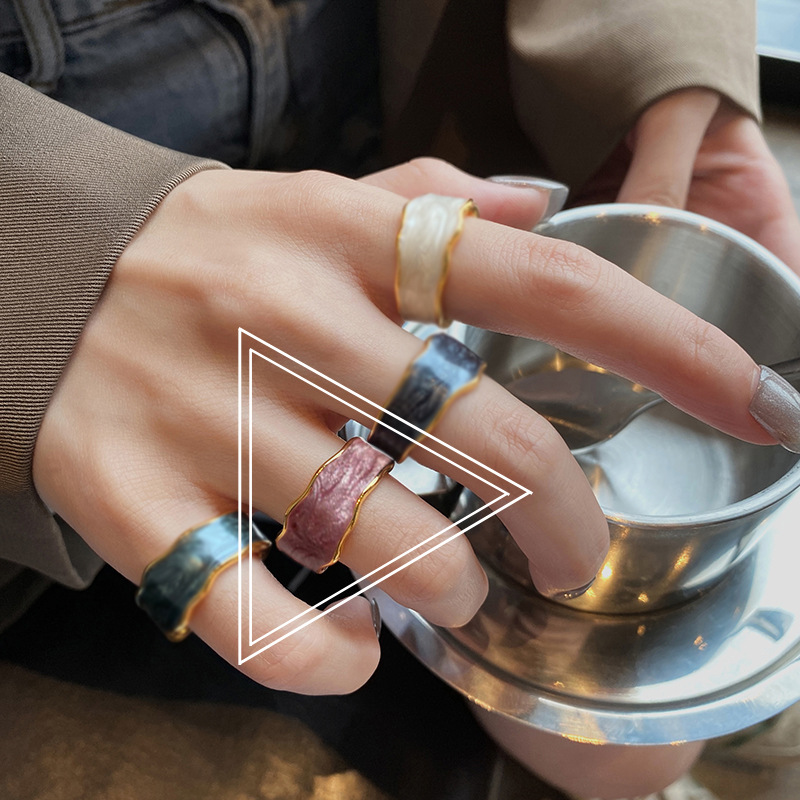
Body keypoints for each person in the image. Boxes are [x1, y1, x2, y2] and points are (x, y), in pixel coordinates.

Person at [2, 1, 800, 797]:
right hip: (85, 428)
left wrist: (671, 75)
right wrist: (51, 261)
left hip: (441, 203)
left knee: (631, 760)